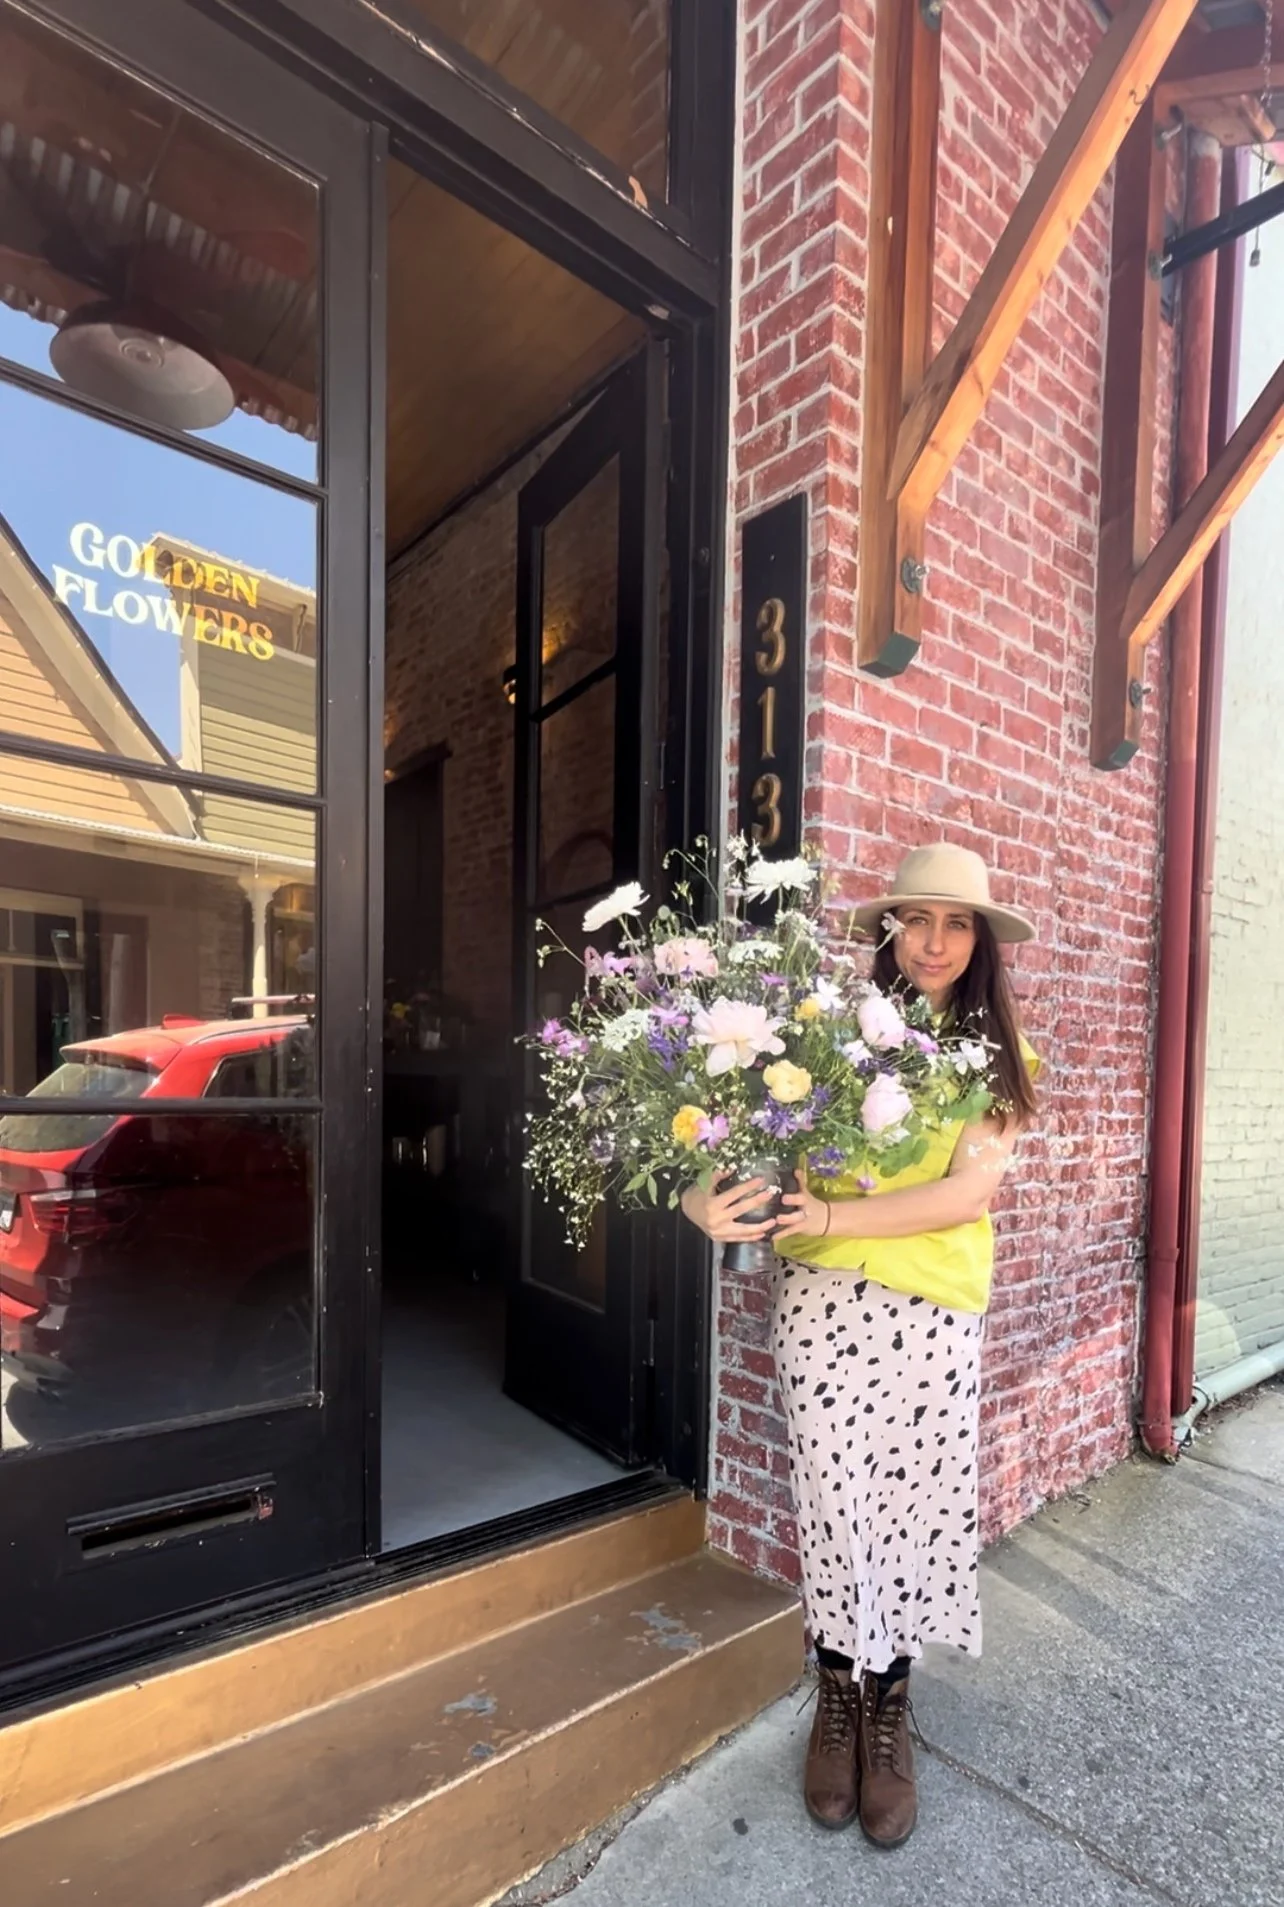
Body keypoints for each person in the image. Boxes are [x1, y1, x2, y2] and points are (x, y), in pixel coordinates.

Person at [681, 843, 1039, 1850]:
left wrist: (831, 1219)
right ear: (888, 929)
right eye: (916, 918)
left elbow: (966, 1193)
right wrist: (701, 1197)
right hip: (825, 1310)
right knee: (836, 1499)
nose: (934, 941)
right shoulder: (827, 1035)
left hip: (932, 1315)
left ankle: (890, 1710)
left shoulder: (997, 1055)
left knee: (913, 1499)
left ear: (980, 942)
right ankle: (838, 1691)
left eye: (957, 922)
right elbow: (730, 1148)